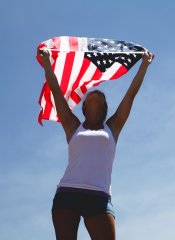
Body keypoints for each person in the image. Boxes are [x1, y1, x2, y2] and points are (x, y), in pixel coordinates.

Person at [38, 49, 154, 240]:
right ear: (83, 108)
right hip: (68, 192)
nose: (95, 95)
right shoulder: (73, 125)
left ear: (104, 109)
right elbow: (57, 92)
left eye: (100, 96)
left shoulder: (113, 127)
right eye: (90, 96)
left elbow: (130, 95)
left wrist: (144, 65)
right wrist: (47, 64)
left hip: (99, 196)